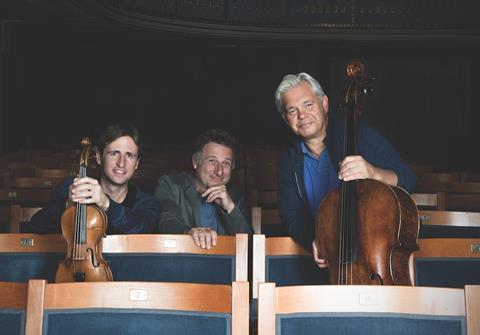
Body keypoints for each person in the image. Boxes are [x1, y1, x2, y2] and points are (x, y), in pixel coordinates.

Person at [275, 72, 415, 268]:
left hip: (374, 256)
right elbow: (293, 216)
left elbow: (408, 180)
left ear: (324, 104)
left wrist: (374, 173)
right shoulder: (287, 163)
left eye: (308, 104)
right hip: (327, 260)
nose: (302, 115)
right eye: (292, 110)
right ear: (285, 118)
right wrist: (314, 240)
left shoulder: (363, 137)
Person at [29, 123, 161, 234]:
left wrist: (106, 204)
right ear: (98, 157)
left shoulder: (148, 202)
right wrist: (66, 207)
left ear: (137, 163)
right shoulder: (73, 187)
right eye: (114, 153)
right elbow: (36, 226)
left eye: (129, 156)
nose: (121, 163)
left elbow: (143, 228)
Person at [154, 129, 252, 249]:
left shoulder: (235, 197)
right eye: (212, 161)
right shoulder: (170, 185)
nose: (219, 171)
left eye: (226, 163)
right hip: (182, 262)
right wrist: (189, 232)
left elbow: (250, 246)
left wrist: (230, 208)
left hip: (225, 266)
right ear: (196, 162)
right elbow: (166, 222)